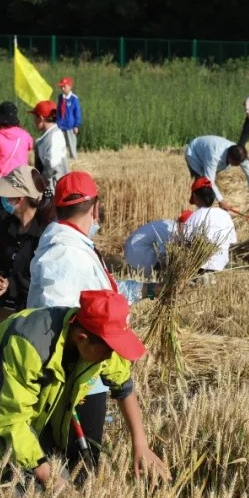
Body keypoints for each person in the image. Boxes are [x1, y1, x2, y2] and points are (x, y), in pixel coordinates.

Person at [0, 289, 170, 487]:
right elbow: (11, 418)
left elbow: (123, 387)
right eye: (109, 349)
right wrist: (49, 476)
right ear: (82, 339)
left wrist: (141, 445)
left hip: (24, 419)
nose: (111, 356)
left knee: (42, 490)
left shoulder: (100, 343)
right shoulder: (30, 343)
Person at [27, 172, 159, 468]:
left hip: (84, 367)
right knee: (79, 470)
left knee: (69, 469)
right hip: (77, 380)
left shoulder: (69, 248)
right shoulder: (65, 254)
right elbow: (59, 316)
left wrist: (148, 290)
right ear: (96, 208)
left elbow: (99, 296)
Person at [0, 165, 50, 332]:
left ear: (20, 198)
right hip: (1, 315)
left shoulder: (46, 235)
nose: (3, 198)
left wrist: (10, 284)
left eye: (7, 194)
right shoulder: (6, 228)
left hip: (30, 319)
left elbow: (43, 279)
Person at [0, 101, 33, 226]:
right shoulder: (25, 135)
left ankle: (0, 243)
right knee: (17, 216)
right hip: (19, 181)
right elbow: (30, 147)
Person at [183, 135, 249, 212]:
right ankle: (200, 213)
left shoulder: (239, 154)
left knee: (209, 188)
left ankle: (207, 209)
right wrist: (221, 201)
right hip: (194, 154)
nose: (239, 165)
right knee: (202, 186)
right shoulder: (214, 155)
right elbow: (209, 180)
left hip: (206, 153)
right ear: (230, 158)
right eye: (236, 164)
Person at [181, 177, 238, 273]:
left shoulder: (195, 216)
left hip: (201, 265)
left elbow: (185, 241)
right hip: (221, 264)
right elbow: (233, 240)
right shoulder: (225, 214)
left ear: (195, 196)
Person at [123, 211, 193, 276]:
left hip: (135, 250)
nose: (188, 230)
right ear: (182, 224)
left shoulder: (170, 225)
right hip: (137, 252)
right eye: (187, 226)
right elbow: (164, 256)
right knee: (166, 261)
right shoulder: (168, 229)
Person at [28, 100, 68, 193]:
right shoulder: (50, 135)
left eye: (35, 117)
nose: (34, 120)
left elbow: (52, 166)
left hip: (53, 190)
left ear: (41, 118)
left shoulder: (54, 136)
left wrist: (40, 182)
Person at [56, 76, 82, 159]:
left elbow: (77, 113)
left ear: (70, 86)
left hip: (70, 126)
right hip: (60, 125)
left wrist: (76, 125)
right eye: (61, 87)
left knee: (71, 143)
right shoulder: (60, 97)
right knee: (61, 145)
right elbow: (58, 110)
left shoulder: (74, 99)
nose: (62, 88)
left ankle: (73, 159)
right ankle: (63, 160)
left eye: (64, 86)